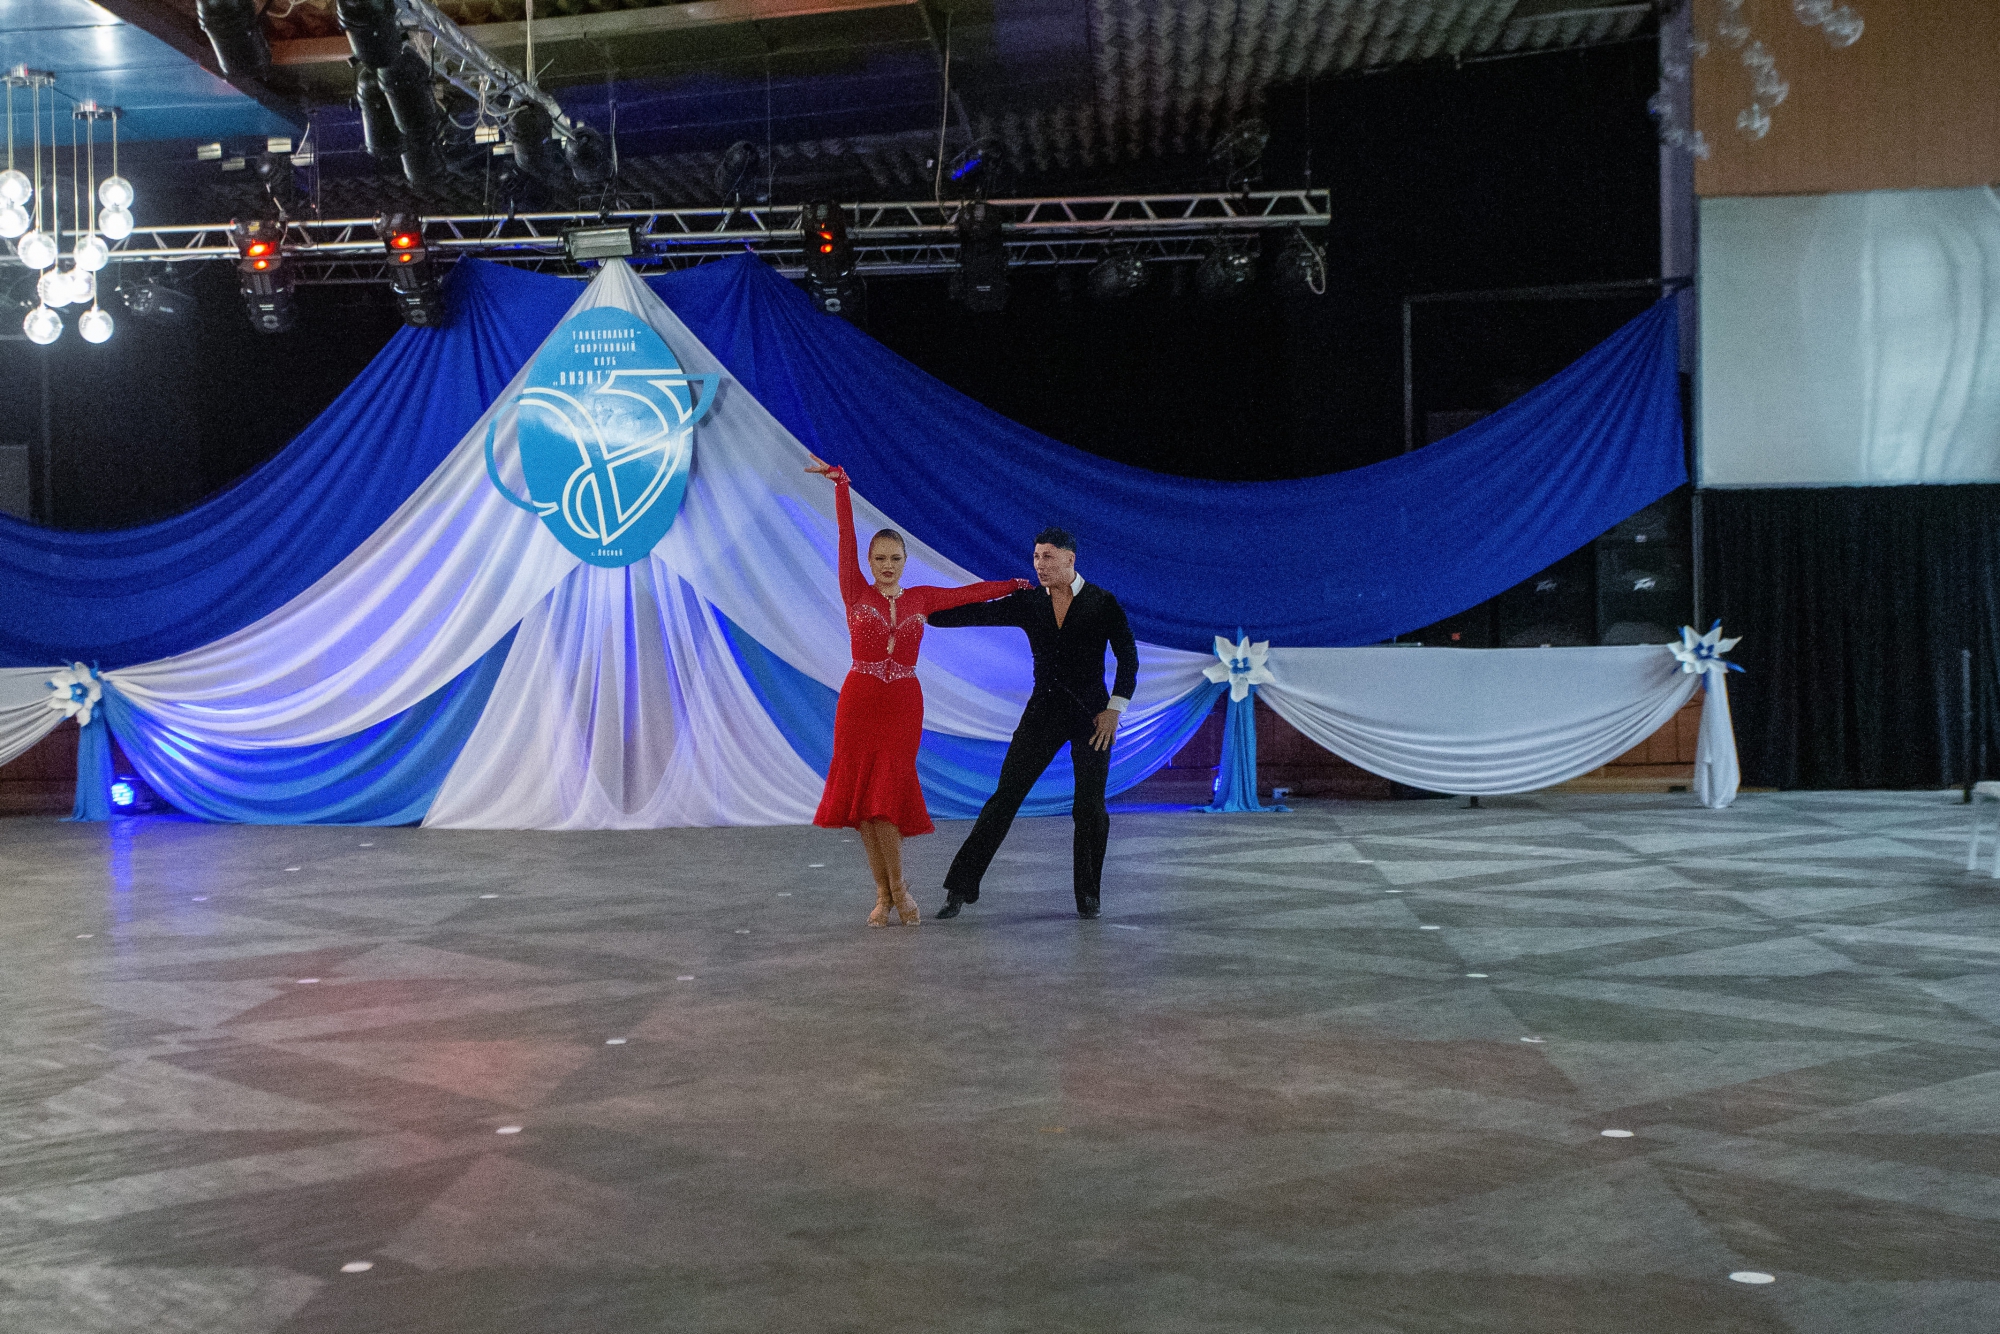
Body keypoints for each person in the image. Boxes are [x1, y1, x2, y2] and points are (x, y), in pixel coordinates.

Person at [807, 456, 1028, 926]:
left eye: (895, 559)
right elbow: (846, 537)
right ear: (869, 563)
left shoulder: (921, 598)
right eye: (879, 559)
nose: (887, 566)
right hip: (859, 702)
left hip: (903, 705)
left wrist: (1012, 585)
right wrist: (841, 486)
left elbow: (969, 593)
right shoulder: (854, 589)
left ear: (905, 562)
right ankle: (886, 894)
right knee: (864, 806)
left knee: (885, 801)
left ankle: (897, 891)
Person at [926, 528, 1139, 920]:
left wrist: (1114, 709)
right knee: (1005, 797)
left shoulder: (1102, 602)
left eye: (1048, 557)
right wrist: (924, 613)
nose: (1040, 564)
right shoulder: (1029, 602)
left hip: (1093, 717)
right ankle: (960, 888)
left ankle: (1088, 896)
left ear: (1070, 559)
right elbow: (980, 613)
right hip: (1043, 712)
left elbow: (1128, 658)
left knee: (1090, 807)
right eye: (1037, 556)